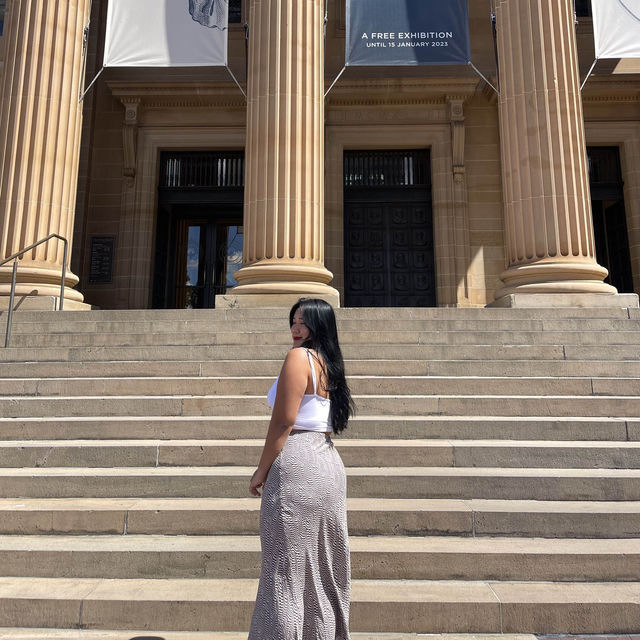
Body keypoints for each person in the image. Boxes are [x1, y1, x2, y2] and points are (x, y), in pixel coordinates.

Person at [248, 298, 355, 640]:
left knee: (284, 572)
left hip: (297, 463)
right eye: (293, 321)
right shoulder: (329, 364)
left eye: (303, 323)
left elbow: (283, 421)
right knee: (322, 570)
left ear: (318, 327)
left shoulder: (299, 358)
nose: (296, 329)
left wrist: (261, 470)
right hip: (327, 462)